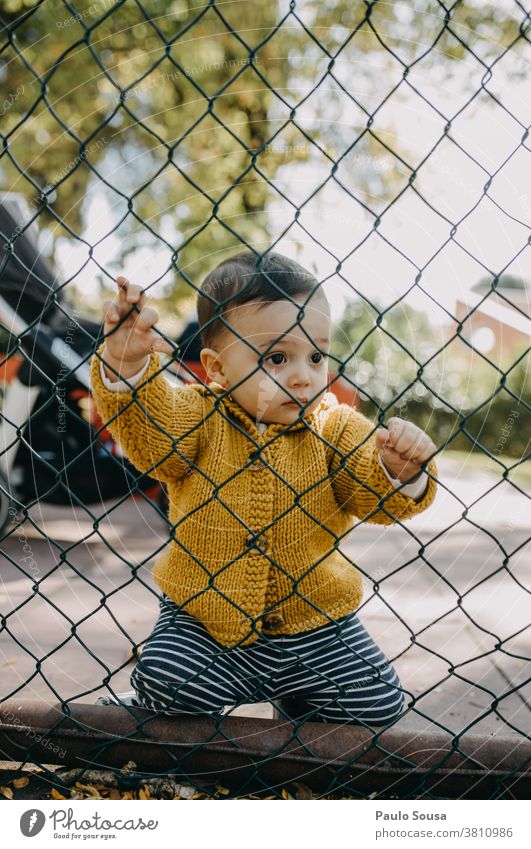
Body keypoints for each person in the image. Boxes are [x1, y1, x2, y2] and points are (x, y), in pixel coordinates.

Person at [90, 251, 438, 727]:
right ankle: (153, 706)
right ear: (217, 369)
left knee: (377, 706)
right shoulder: (199, 415)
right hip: (206, 621)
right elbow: (154, 440)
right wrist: (126, 366)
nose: (303, 375)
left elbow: (369, 492)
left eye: (316, 355)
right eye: (277, 358)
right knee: (167, 680)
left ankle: (299, 704)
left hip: (319, 626)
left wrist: (400, 470)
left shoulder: (336, 427)